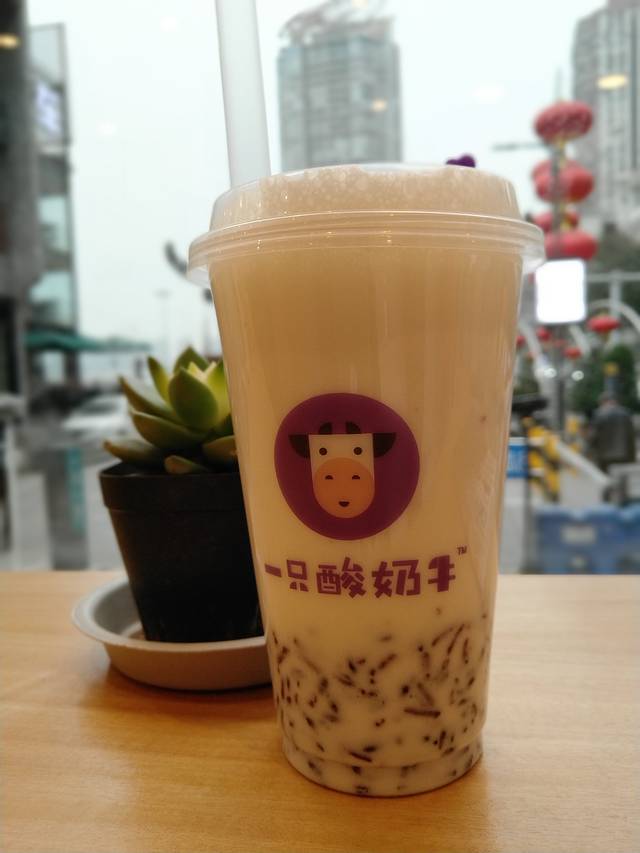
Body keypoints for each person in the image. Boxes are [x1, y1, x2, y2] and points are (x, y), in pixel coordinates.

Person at [588, 393, 637, 473]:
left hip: (604, 456)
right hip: (624, 455)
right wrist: (632, 457)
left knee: (605, 478)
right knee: (621, 477)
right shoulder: (626, 413)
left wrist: (589, 450)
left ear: (603, 402)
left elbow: (593, 436)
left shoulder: (598, 414)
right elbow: (631, 436)